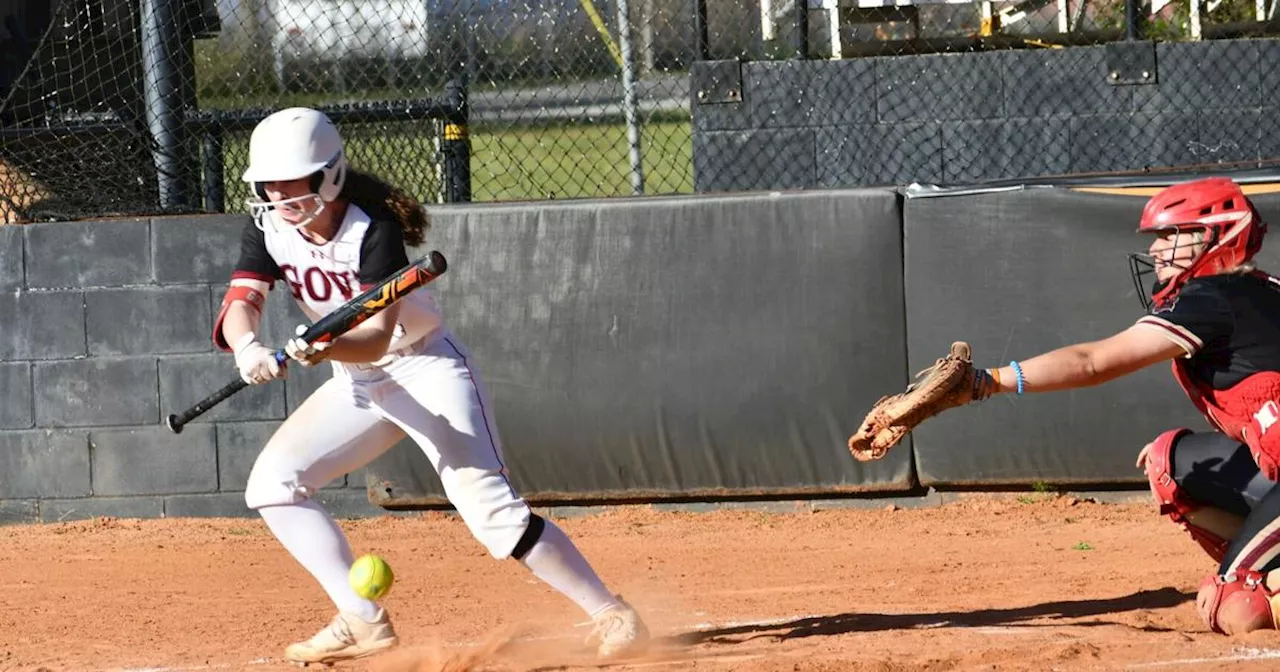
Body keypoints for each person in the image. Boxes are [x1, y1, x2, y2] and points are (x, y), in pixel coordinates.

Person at [213, 106, 649, 665]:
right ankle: (362, 618)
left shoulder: (373, 230)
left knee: (494, 514)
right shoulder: (269, 224)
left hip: (424, 369)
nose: (276, 195)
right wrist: (248, 347)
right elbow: (242, 300)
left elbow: (374, 336)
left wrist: (324, 349)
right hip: (358, 381)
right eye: (267, 184)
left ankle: (611, 612)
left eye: (289, 181)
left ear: (329, 177)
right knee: (273, 485)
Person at [868, 176, 1280, 635]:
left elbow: (1091, 362)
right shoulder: (1260, 291)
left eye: (1173, 235)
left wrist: (990, 382)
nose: (1160, 250)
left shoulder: (1213, 296)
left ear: (1217, 235)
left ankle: (1252, 581)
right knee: (1171, 463)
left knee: (1237, 609)